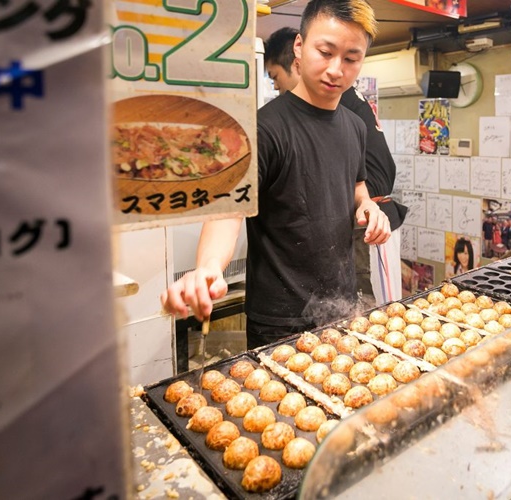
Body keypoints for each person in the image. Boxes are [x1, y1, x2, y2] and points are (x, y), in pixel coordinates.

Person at [161, 0, 391, 349]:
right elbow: (229, 209)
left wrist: (368, 206)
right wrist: (208, 267)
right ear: (299, 46)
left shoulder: (355, 127)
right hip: (280, 319)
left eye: (350, 58)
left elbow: (357, 185)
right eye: (325, 51)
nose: (335, 69)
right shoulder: (262, 129)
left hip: (342, 306)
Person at [264, 26, 407, 309]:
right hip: (355, 221)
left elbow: (377, 176)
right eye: (326, 54)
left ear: (296, 61)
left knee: (365, 309)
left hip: (366, 225)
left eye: (275, 78)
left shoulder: (343, 109)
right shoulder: (282, 120)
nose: (276, 87)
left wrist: (364, 204)